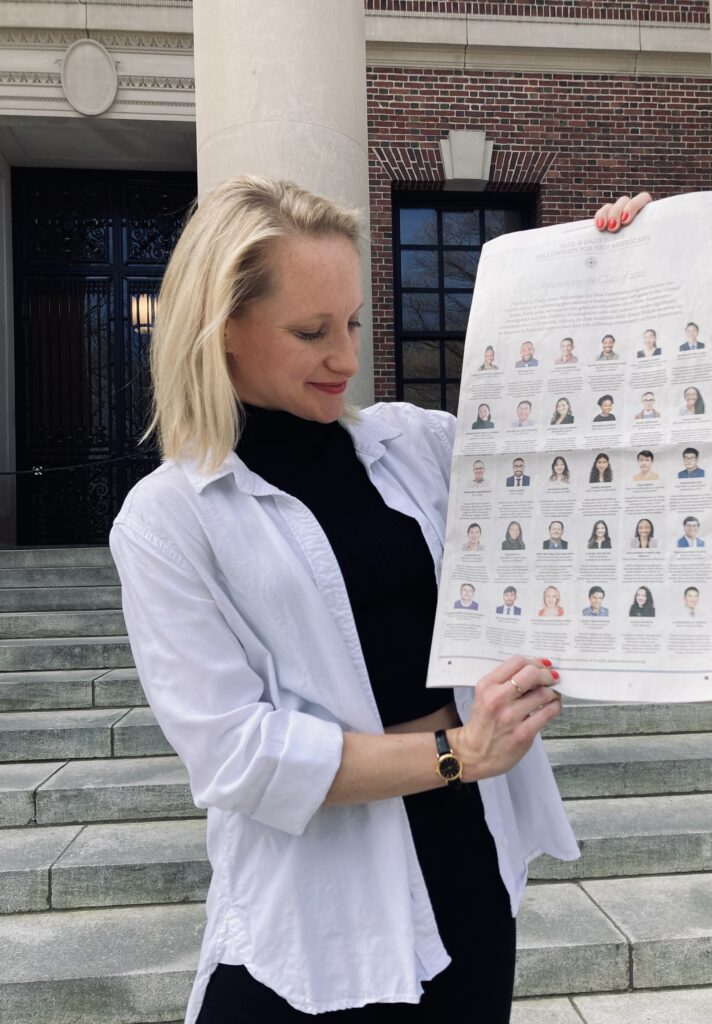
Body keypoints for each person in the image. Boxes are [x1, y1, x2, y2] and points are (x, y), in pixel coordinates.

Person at [109, 176, 648, 1023]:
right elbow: (237, 755)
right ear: (222, 332)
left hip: (466, 868)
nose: (347, 358)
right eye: (311, 331)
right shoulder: (169, 520)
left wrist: (607, 267)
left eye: (353, 322)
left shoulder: (417, 447)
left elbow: (579, 440)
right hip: (316, 916)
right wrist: (457, 755)